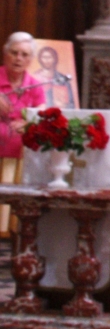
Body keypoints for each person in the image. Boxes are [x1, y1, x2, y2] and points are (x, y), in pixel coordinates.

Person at [0, 32, 46, 236]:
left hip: (19, 149)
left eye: (24, 54)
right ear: (5, 54)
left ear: (30, 59)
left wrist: (28, 124)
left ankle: (11, 229)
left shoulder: (35, 86)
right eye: (14, 53)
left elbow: (42, 117)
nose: (18, 58)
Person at [34, 44, 76, 109]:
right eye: (44, 57)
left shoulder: (63, 79)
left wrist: (64, 106)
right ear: (40, 59)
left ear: (55, 59)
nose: (47, 60)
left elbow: (71, 104)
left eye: (49, 57)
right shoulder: (34, 78)